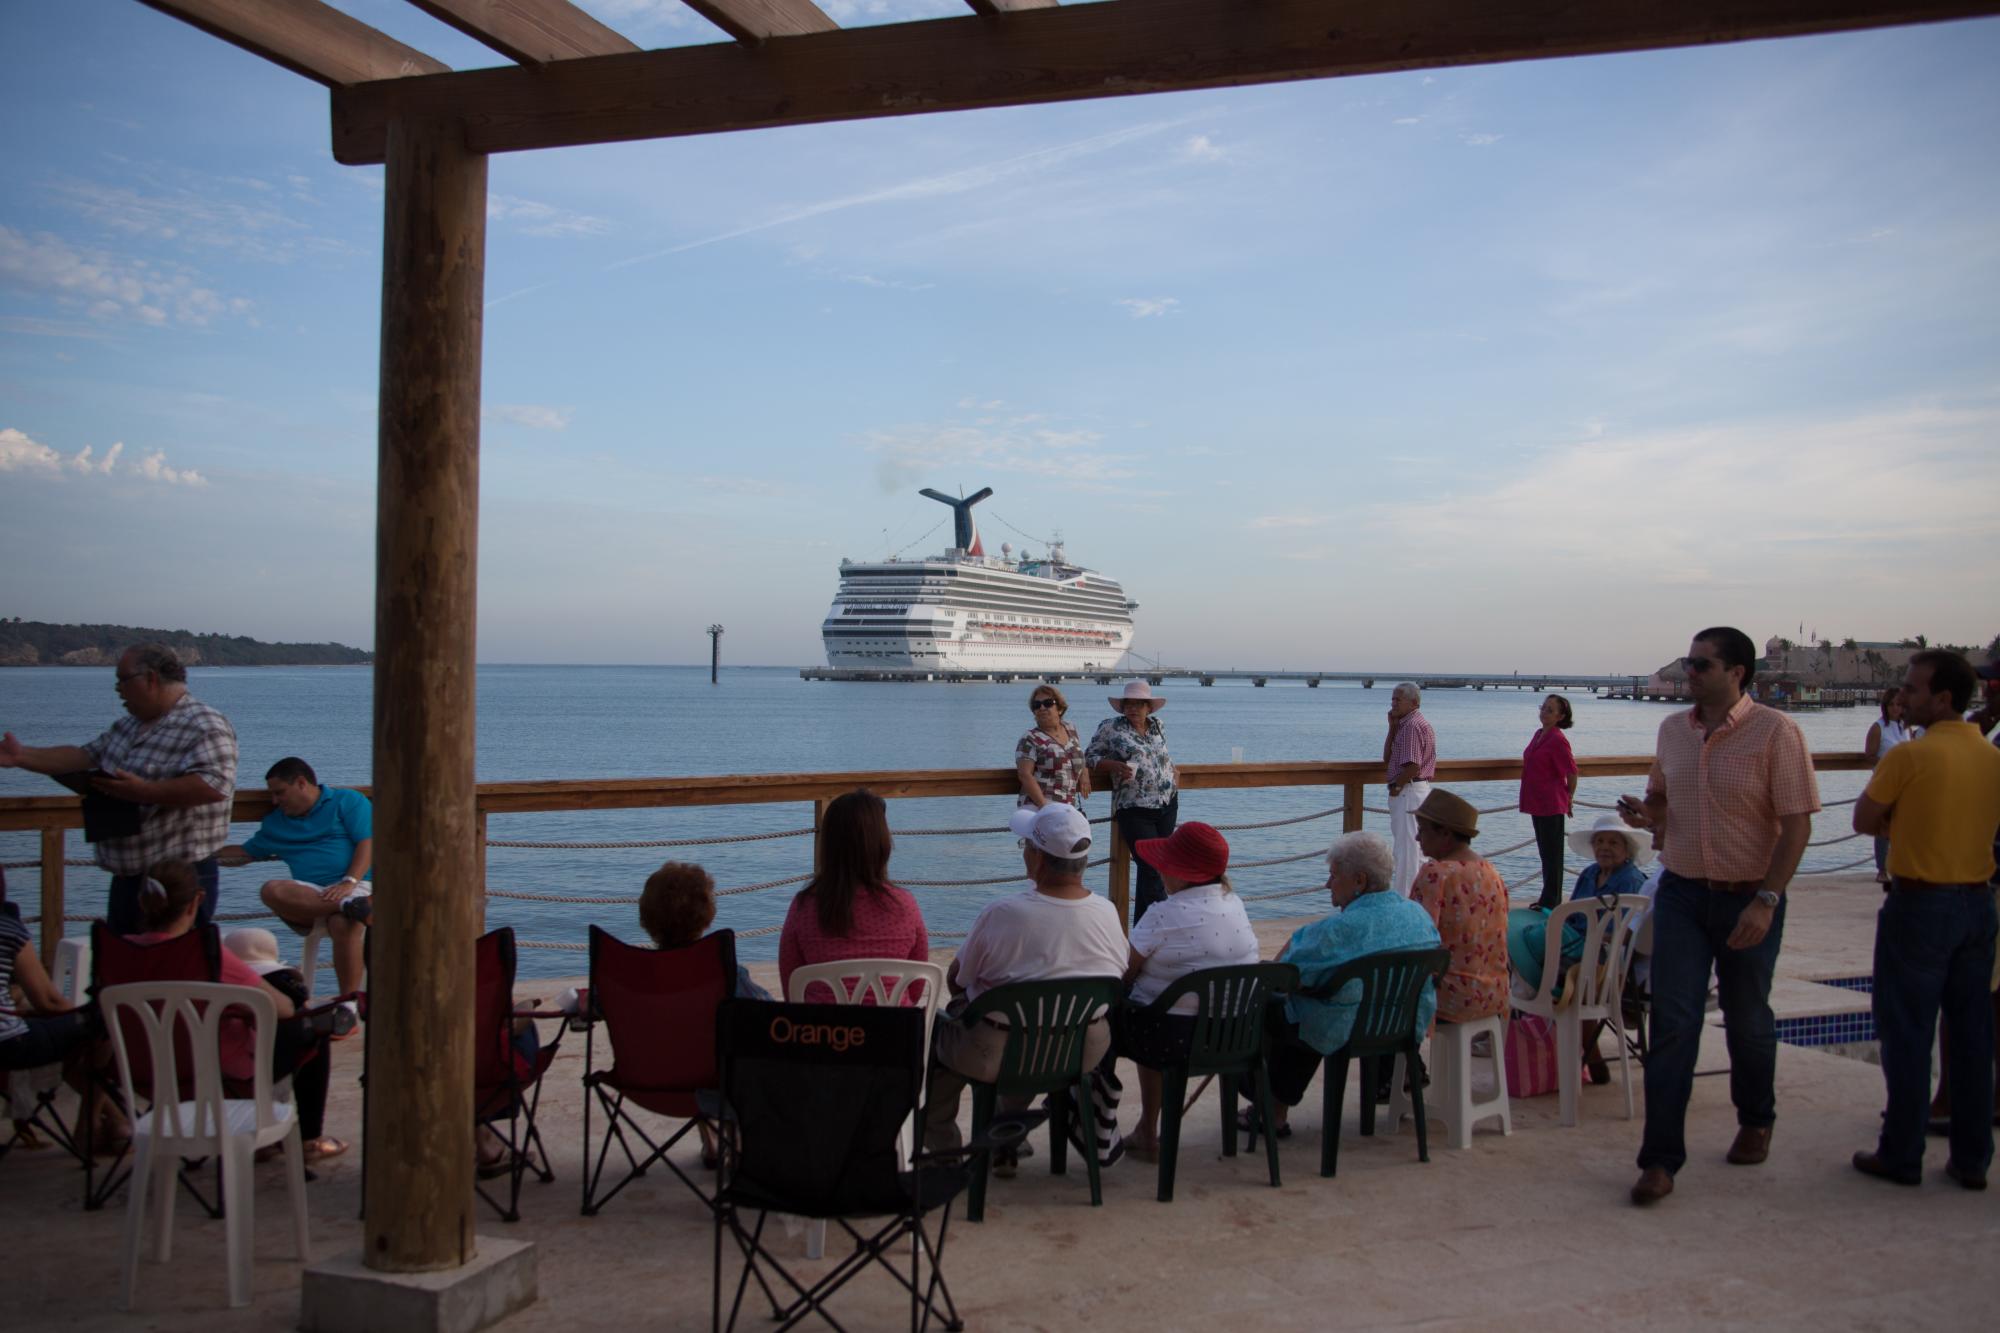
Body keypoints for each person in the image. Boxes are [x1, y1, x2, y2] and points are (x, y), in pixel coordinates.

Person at [1621, 626, 1819, 1207]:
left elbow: (1799, 824)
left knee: (1747, 1016)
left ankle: (1757, 1117)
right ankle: (1659, 1160)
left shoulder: (1776, 732)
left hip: (1747, 895)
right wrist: (1645, 813)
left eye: (1702, 665)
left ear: (1737, 672)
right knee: (1674, 1021)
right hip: (1682, 890)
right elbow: (1663, 802)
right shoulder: (1671, 732)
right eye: (1688, 662)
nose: (1689, 673)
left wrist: (1767, 900)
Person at [1849, 650, 2000, 1190]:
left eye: (1912, 689)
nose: (1903, 696)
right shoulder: (1990, 755)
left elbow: (1864, 819)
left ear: (1942, 698)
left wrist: (1903, 814)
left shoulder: (1909, 756)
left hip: (1919, 904)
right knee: (1972, 1035)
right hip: (1978, 902)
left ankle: (1902, 1152)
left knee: (1907, 1031)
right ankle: (1972, 1158)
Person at [921, 803, 1125, 1174]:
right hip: (1079, 1050)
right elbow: (1118, 974)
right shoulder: (1108, 913)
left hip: (998, 1052)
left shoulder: (1004, 913)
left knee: (945, 1035)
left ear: (1038, 859)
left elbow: (957, 980)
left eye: (1026, 847)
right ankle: (1006, 1137)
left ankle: (946, 1156)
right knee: (1037, 1030)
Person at [0, 643, 237, 935]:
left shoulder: (205, 725)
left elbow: (212, 786)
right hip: (127, 877)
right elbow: (84, 756)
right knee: (124, 969)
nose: (117, 689)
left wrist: (143, 792)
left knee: (172, 973)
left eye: (122, 680)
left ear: (150, 678)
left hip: (180, 882)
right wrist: (21, 757)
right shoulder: (128, 726)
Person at [129, 861, 344, 1163]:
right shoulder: (204, 954)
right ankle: (308, 1138)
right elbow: (281, 1008)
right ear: (197, 901)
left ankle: (108, 1123)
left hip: (137, 1068)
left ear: (142, 902)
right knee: (309, 1025)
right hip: (210, 1069)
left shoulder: (118, 953)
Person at [1258, 832, 1441, 1134]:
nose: (1327, 884)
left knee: (1280, 1007)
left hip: (1346, 1029)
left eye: (1333, 876)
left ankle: (1272, 1110)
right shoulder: (1417, 915)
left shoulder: (1336, 931)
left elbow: (1284, 974)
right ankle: (1399, 1071)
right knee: (1319, 1002)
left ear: (1359, 880)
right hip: (1401, 1026)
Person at [1113, 822, 1260, 1160]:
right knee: (1154, 1010)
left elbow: (1124, 972)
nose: (1160, 871)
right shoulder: (1234, 903)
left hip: (1171, 1041)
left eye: (1166, 865)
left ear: (1181, 873)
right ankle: (1146, 1130)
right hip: (1235, 1035)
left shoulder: (1163, 914)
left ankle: (1118, 1126)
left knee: (1114, 1017)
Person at [1507, 813, 1654, 1083]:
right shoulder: (1589, 874)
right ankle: (1536, 1006)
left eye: (1613, 842)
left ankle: (1581, 1047)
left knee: (1567, 973)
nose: (1605, 848)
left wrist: (1594, 939)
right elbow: (1571, 916)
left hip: (1609, 960)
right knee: (1526, 943)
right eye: (1600, 842)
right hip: (1577, 949)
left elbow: (1627, 932)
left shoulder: (1631, 880)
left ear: (1627, 849)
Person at [217, 757, 373, 997]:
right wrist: (198, 854)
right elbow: (243, 853)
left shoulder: (347, 801)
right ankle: (350, 906)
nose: (275, 801)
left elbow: (368, 842)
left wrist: (348, 882)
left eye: (280, 792)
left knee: (342, 923)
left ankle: (348, 1004)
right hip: (313, 896)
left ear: (301, 783)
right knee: (271, 889)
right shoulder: (276, 824)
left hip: (359, 884)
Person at [778, 787, 928, 1004]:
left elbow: (792, 990)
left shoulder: (804, 908)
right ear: (881, 844)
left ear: (829, 845)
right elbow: (915, 990)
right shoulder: (906, 906)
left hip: (822, 1035)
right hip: (894, 1035)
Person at [1407, 789, 1510, 1027]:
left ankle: (1406, 1063)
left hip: (1453, 998)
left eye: (1422, 830)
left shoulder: (1436, 874)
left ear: (1444, 833)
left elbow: (1415, 939)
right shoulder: (1491, 871)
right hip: (1495, 994)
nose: (1417, 838)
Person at [1086, 681, 1178, 922]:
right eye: (1128, 703)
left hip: (1167, 803)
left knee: (1154, 869)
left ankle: (1142, 934)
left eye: (1138, 704)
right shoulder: (1111, 728)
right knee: (1151, 867)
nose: (1133, 708)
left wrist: (1173, 772)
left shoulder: (1158, 726)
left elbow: (1161, 756)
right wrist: (1113, 765)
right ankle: (1167, 924)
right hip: (1134, 807)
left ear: (1148, 707)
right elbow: (1089, 757)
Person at [1519, 694, 1580, 909]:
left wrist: (1569, 797)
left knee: (1552, 855)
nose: (1544, 712)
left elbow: (1572, 772)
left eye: (1550, 710)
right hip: (1537, 801)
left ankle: (1552, 901)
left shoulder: (1557, 739)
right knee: (1545, 852)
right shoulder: (1539, 735)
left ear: (1560, 716)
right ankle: (1547, 898)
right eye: (1543, 707)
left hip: (1552, 803)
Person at [1382, 683, 1437, 897]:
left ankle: (1406, 901)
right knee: (1411, 851)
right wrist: (1392, 728)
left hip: (1409, 791)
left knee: (1407, 853)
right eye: (1392, 699)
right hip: (1414, 791)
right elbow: (1388, 759)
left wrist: (1397, 786)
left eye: (1398, 700)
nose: (1393, 703)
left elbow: (1412, 765)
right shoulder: (1405, 725)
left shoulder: (1412, 726)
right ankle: (1417, 898)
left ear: (1414, 702)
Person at [1863, 688, 1915, 884]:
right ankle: (1881, 870)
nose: (1895, 708)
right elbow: (1869, 755)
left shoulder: (1905, 727)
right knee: (1883, 830)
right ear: (1885, 706)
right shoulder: (1877, 728)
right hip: (1885, 783)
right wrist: (1887, 765)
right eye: (1891, 704)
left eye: (1899, 705)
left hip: (1905, 785)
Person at [1016, 684, 1090, 810]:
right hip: (1038, 806)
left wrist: (1084, 773)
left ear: (1060, 709)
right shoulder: (1030, 738)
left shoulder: (1070, 729)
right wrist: (1045, 807)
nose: (1042, 708)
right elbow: (1024, 774)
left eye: (1048, 703)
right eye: (1037, 705)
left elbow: (1076, 754)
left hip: (1067, 805)